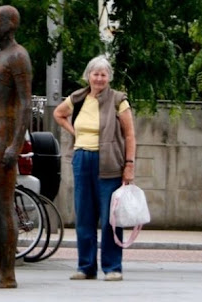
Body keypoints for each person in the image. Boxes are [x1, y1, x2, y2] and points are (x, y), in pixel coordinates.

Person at [53, 55, 136, 281]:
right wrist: (74, 133)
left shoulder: (119, 100)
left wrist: (129, 165)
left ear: (109, 77)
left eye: (103, 74)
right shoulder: (78, 98)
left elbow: (129, 134)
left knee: (111, 217)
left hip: (109, 161)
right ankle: (86, 266)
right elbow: (58, 113)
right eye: (95, 74)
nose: (99, 78)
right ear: (88, 75)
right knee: (84, 215)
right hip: (82, 159)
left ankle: (112, 267)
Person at [0, 5, 32, 288]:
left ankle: (8, 274)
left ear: (9, 24)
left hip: (5, 139)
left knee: (3, 206)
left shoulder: (18, 56)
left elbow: (25, 103)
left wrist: (16, 144)